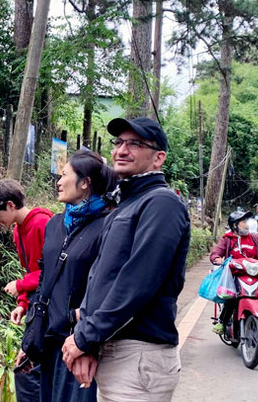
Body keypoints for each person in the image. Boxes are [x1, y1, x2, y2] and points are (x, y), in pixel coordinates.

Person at [61, 117, 190, 402]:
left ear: (159, 157)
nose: (121, 150)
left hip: (139, 356)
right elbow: (100, 279)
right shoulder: (124, 205)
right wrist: (89, 341)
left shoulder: (161, 203)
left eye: (135, 144)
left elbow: (137, 283)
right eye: (119, 142)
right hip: (115, 350)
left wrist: (85, 338)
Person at [36, 150, 114, 402]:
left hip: (78, 343)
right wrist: (32, 333)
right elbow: (44, 278)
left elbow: (107, 287)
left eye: (64, 175)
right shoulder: (55, 224)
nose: (58, 182)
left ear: (84, 183)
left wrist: (86, 341)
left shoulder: (108, 225)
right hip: (49, 339)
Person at [0, 179, 52, 402]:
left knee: (32, 371)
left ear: (10, 205)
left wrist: (20, 286)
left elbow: (52, 272)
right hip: (36, 305)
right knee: (27, 369)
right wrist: (22, 303)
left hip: (51, 310)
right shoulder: (17, 231)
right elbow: (31, 271)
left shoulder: (42, 223)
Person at [209, 210, 258, 334]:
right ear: (234, 225)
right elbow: (216, 253)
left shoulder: (254, 238)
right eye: (243, 222)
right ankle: (222, 322)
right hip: (234, 276)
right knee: (232, 297)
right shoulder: (227, 239)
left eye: (246, 222)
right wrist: (217, 259)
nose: (247, 225)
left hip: (255, 275)